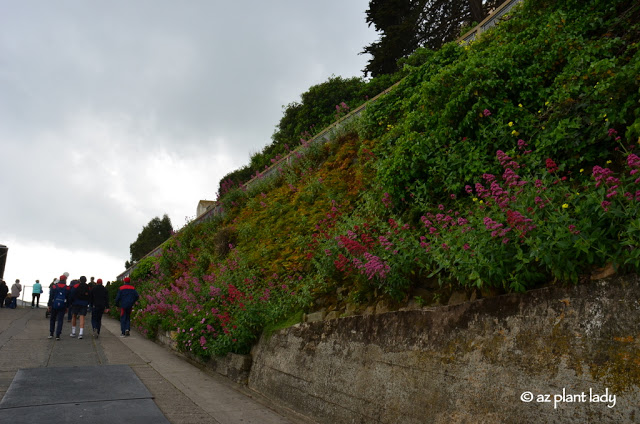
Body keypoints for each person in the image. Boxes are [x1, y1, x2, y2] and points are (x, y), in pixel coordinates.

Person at [48, 276, 69, 340]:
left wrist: (49, 305)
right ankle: (58, 335)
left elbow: (51, 296)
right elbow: (68, 298)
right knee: (60, 320)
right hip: (63, 305)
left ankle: (51, 333)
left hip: (54, 304)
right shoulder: (67, 288)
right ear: (65, 279)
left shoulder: (54, 287)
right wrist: (67, 307)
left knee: (52, 319)